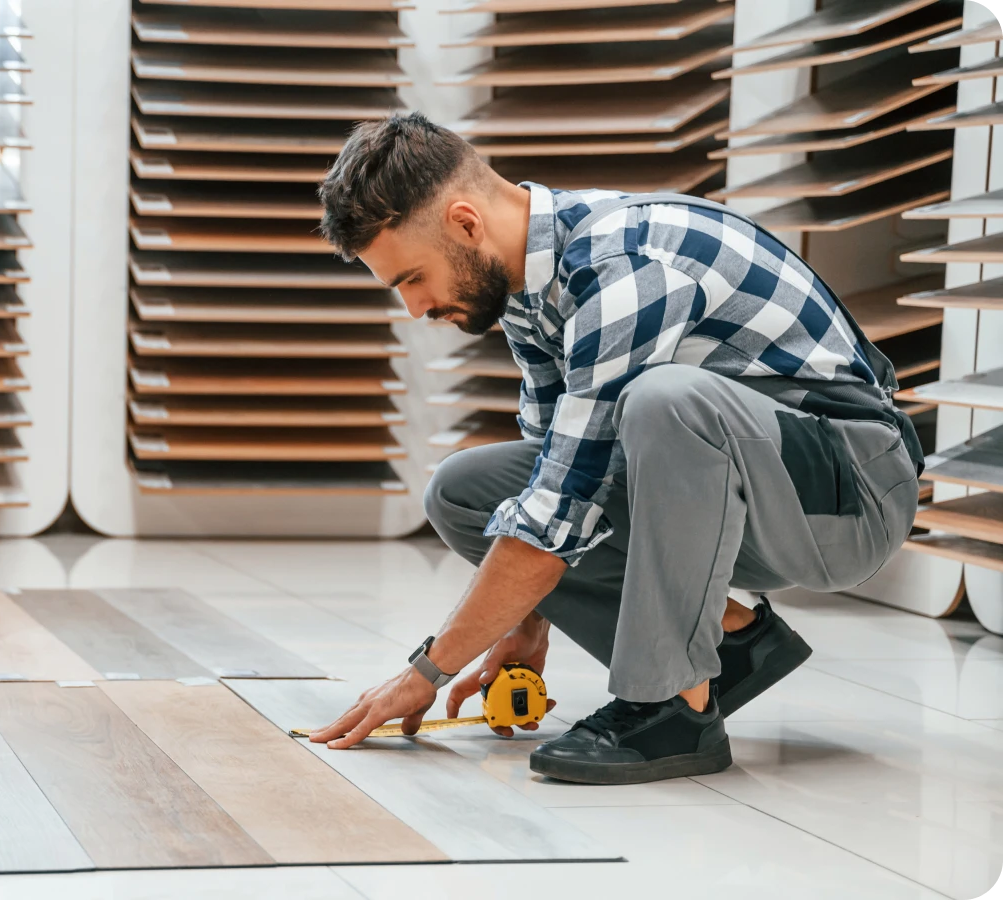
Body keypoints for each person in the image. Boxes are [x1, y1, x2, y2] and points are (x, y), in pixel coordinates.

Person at [309, 112, 922, 785]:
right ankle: (733, 644)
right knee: (465, 493)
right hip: (740, 484)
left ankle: (671, 710)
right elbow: (555, 480)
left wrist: (427, 671)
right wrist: (524, 628)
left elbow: (564, 510)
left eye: (411, 279)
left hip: (845, 495)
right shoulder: (526, 292)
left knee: (667, 401)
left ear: (464, 223)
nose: (416, 308)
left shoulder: (621, 266)